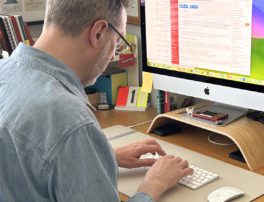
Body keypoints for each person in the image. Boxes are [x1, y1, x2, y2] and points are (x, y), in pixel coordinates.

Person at [0, 0, 193, 201]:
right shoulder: (69, 119)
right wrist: (153, 186)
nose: (112, 56)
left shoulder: (4, 71)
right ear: (99, 32)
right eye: (118, 41)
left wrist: (100, 156)